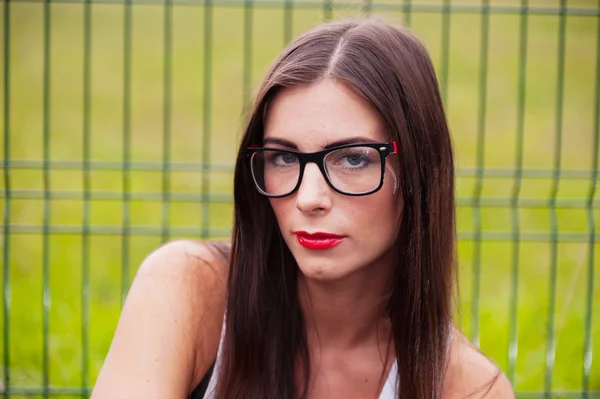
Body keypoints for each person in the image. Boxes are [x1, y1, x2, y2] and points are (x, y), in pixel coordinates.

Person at [91, 18, 514, 399]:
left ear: (419, 170)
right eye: (285, 158)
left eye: (352, 159)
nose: (308, 198)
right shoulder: (188, 289)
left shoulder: (468, 387)